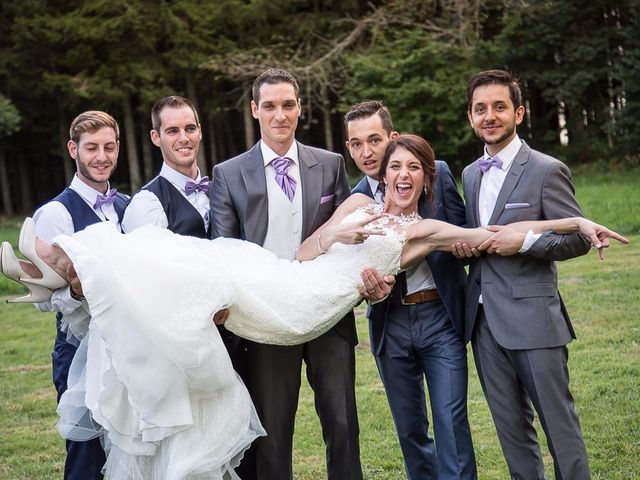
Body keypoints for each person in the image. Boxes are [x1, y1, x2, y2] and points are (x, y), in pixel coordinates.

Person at [1, 133, 627, 480]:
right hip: (289, 282)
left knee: (196, 275)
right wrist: (340, 234)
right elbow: (303, 254)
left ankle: (68, 275)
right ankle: (65, 276)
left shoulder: (425, 231)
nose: (400, 176)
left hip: (310, 311)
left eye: (412, 169)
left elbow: (498, 237)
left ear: (425, 179)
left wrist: (578, 219)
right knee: (195, 266)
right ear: (380, 174)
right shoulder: (358, 207)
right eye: (392, 168)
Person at [209, 68, 370, 480]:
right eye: (269, 106)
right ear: (254, 110)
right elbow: (224, 250)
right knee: (273, 431)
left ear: (299, 108)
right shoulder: (228, 173)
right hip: (267, 318)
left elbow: (344, 232)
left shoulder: (330, 163)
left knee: (342, 422)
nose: (279, 115)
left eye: (287, 105)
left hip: (326, 313)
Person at [461, 69, 595, 479]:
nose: (490, 116)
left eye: (499, 107)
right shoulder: (469, 175)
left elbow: (576, 238)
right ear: (470, 117)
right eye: (480, 109)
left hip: (535, 320)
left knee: (560, 429)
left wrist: (523, 242)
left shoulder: (546, 169)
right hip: (482, 324)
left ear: (518, 112)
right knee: (512, 434)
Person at [345, 101, 476, 479]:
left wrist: (462, 250)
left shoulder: (437, 173)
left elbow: (462, 233)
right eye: (355, 144)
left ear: (393, 138)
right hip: (390, 321)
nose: (366, 152)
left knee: (451, 421)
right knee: (410, 430)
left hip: (440, 318)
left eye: (374, 140)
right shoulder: (357, 201)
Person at [0, 111, 128, 479]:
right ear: (74, 149)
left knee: (127, 450)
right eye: (91, 148)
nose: (101, 156)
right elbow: (43, 299)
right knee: (86, 457)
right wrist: (74, 290)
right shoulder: (56, 214)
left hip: (127, 349)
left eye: (108, 147)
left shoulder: (127, 206)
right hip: (80, 353)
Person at [121, 95, 228, 327]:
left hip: (233, 328)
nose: (184, 138)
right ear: (155, 137)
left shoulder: (222, 189)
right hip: (181, 329)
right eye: (172, 131)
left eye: (190, 128)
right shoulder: (146, 203)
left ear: (200, 132)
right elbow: (150, 279)